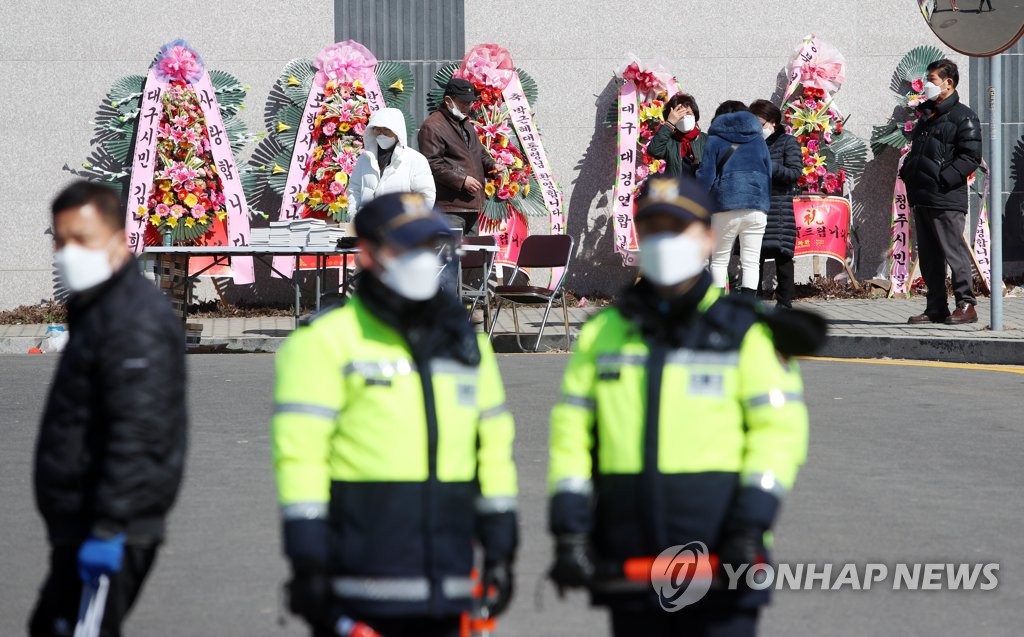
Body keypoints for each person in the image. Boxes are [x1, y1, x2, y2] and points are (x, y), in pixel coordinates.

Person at [546, 175, 814, 637]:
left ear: (709, 238)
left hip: (723, 550)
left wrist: (751, 523)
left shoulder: (745, 332)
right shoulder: (603, 333)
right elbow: (572, 434)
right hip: (629, 555)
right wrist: (569, 528)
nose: (665, 241)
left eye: (679, 228)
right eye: (653, 229)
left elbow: (777, 433)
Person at [271, 192, 518, 637]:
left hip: (451, 583)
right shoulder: (324, 342)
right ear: (368, 254)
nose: (422, 260)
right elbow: (301, 460)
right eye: (407, 247)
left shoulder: (466, 345)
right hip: (360, 585)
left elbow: (493, 449)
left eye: (429, 246)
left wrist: (500, 548)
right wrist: (308, 560)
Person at [30, 181, 188, 637]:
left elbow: (137, 430)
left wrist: (108, 527)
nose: (68, 252)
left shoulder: (132, 318)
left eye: (83, 239)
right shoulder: (98, 308)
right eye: (60, 240)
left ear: (119, 242)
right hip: (85, 518)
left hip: (110, 526)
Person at [899, 59, 982, 325]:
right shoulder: (927, 115)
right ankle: (936, 306)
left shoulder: (963, 116)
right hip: (923, 195)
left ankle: (966, 305)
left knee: (953, 251)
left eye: (932, 80)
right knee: (930, 256)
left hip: (946, 197)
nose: (927, 85)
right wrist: (910, 172)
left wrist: (943, 179)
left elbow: (971, 157)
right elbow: (919, 152)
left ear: (949, 83)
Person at [696, 101, 772, 295]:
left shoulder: (714, 141)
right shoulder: (758, 140)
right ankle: (747, 309)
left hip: (724, 206)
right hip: (756, 207)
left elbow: (705, 178)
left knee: (720, 259)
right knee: (751, 261)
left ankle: (718, 307)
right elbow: (768, 174)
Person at [418, 78, 497, 235]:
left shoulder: (465, 123)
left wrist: (493, 166)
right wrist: (462, 180)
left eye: (469, 103)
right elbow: (432, 164)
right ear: (448, 100)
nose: (467, 107)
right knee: (450, 256)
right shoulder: (432, 126)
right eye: (463, 102)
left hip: (472, 204)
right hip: (449, 208)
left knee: (471, 257)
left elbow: (478, 153)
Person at [749, 99, 802, 308]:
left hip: (780, 207)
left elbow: (794, 173)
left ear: (773, 122)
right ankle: (754, 300)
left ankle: (784, 303)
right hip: (755, 204)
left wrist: (769, 166)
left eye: (760, 124)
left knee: (783, 256)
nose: (757, 129)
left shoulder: (788, 142)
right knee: (754, 255)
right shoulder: (751, 142)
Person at [347, 107, 435, 218]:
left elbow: (426, 195)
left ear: (397, 131)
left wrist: (407, 221)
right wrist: (354, 216)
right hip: (367, 227)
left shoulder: (415, 160)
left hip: (399, 229)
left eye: (386, 130)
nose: (381, 134)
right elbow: (354, 190)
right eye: (378, 129)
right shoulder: (365, 158)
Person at [647, 93, 707, 178]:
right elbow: (653, 151)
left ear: (694, 114)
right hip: (676, 189)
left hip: (700, 190)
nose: (685, 118)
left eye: (688, 113)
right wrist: (669, 124)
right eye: (680, 115)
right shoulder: (670, 141)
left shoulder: (706, 140)